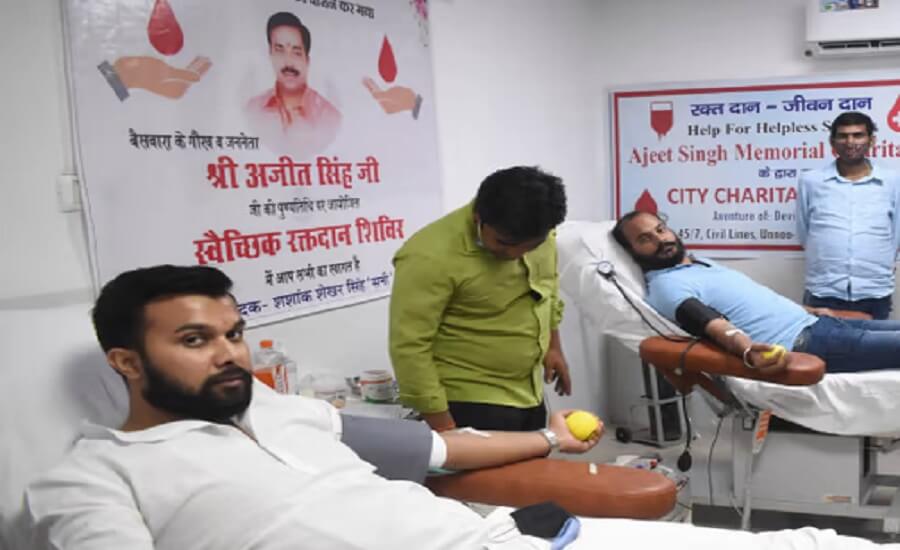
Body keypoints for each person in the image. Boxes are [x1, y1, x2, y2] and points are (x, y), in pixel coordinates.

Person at [15, 265, 900, 550]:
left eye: (235, 333)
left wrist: (549, 436)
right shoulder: (91, 478)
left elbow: (433, 456)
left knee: (818, 545)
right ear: (126, 362)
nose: (231, 355)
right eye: (197, 341)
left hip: (507, 540)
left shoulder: (278, 413)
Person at [390, 166, 570, 432]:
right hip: (468, 401)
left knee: (533, 471)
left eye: (530, 247)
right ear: (478, 217)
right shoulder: (428, 256)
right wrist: (447, 431)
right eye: (504, 243)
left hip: (529, 391)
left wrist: (554, 347)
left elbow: (546, 290)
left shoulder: (538, 230)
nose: (515, 254)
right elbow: (409, 347)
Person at [612, 210, 900, 375]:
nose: (661, 240)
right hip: (806, 343)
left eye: (661, 230)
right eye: (645, 239)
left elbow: (751, 301)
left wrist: (810, 311)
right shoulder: (666, 286)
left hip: (818, 323)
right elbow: (711, 324)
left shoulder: (698, 263)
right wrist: (748, 350)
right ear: (632, 252)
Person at [797, 111, 900, 320]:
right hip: (823, 291)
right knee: (819, 352)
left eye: (858, 135)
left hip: (874, 292)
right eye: (843, 136)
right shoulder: (811, 181)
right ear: (832, 142)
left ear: (871, 140)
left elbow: (896, 233)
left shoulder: (893, 181)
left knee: (875, 352)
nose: (850, 142)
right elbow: (804, 231)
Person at [245, 12, 341, 157]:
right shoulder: (252, 110)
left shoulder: (329, 116)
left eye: (296, 53)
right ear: (270, 54)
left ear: (307, 60)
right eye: (280, 50)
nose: (288, 62)